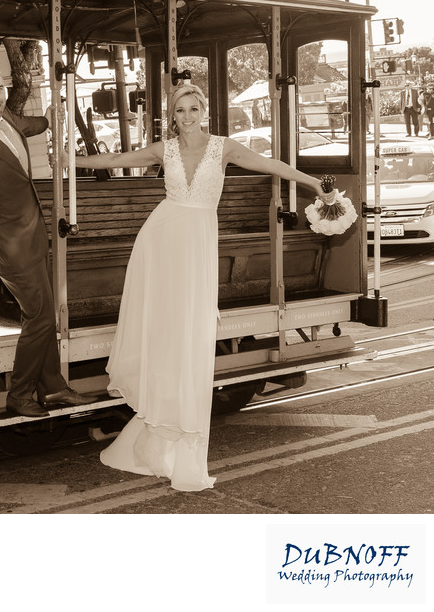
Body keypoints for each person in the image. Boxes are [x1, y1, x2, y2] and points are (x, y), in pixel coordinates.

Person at [69, 84, 325, 491]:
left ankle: (178, 435)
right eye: (180, 110)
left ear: (204, 110)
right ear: (171, 115)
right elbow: (117, 157)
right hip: (161, 238)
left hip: (197, 241)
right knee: (166, 330)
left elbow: (271, 163)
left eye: (194, 108)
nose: (187, 116)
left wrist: (312, 182)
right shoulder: (162, 149)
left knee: (191, 334)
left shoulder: (223, 148)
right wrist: (72, 159)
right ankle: (160, 420)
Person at [0, 61, 95, 418]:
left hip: (32, 237)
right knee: (41, 317)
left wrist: (48, 118)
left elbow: (29, 125)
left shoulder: (7, 117)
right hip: (9, 248)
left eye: (0, 89)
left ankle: (54, 387)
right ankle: (20, 393)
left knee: (43, 314)